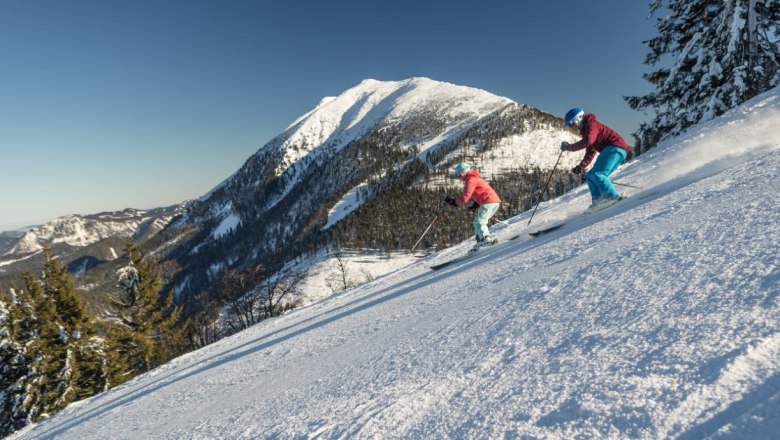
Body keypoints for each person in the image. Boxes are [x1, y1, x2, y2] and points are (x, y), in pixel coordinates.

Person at [560, 107, 631, 210]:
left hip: (615, 148)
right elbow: (590, 151)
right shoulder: (587, 129)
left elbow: (588, 141)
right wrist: (581, 166)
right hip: (616, 150)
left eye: (573, 124)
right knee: (590, 176)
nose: (574, 127)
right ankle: (598, 201)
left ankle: (613, 197)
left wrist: (569, 147)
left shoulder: (591, 124)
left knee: (598, 174)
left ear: (577, 119)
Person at [444, 163, 502, 249]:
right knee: (476, 222)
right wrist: (475, 205)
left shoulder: (470, 180)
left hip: (488, 202)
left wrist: (453, 201)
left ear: (463, 173)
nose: (458, 177)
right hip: (493, 201)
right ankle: (481, 241)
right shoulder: (474, 178)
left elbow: (465, 197)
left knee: (480, 221)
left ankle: (486, 239)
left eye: (458, 174)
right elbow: (481, 192)